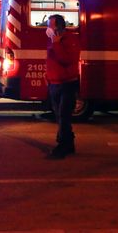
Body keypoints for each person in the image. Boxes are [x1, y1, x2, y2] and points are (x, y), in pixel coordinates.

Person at [45, 14, 80, 159]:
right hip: (55, 84)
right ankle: (69, 143)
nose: (47, 28)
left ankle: (62, 146)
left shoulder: (70, 40)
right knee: (60, 117)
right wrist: (47, 77)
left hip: (67, 84)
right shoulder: (53, 40)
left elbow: (66, 60)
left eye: (50, 25)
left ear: (59, 27)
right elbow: (51, 61)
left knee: (64, 116)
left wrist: (57, 43)